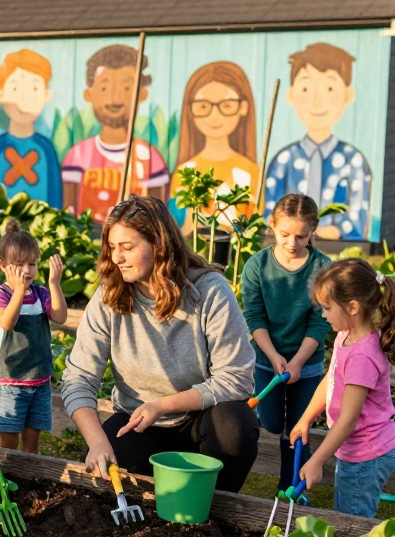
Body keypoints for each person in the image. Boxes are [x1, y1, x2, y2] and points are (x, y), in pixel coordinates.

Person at [61, 196, 259, 492]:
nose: (117, 258)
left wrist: (163, 405)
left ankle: (217, 514)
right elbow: (78, 378)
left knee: (236, 425)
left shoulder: (208, 291)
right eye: (112, 248)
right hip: (138, 423)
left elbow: (237, 378)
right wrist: (97, 441)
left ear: (159, 245)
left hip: (201, 423)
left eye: (127, 247)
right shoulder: (109, 296)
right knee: (102, 483)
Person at [290, 259, 395, 518]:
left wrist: (317, 460)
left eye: (328, 308)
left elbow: (348, 420)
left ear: (352, 307)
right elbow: (331, 379)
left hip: (367, 454)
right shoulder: (346, 335)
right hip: (357, 449)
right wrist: (306, 419)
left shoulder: (362, 357)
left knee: (351, 522)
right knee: (346, 511)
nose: (323, 314)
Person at [241, 194, 331, 491]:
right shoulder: (257, 266)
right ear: (273, 226)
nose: (292, 242)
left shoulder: (322, 267)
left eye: (301, 236)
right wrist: (274, 356)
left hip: (306, 365)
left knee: (297, 427)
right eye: (284, 234)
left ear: (312, 232)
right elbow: (254, 316)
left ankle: (291, 486)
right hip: (267, 361)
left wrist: (296, 363)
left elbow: (320, 321)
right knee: (271, 423)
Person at [263, 43, 372, 241]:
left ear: (348, 95)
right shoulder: (284, 160)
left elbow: (357, 216)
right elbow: (269, 213)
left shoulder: (353, 161)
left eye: (329, 88)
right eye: (305, 88)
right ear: (291, 95)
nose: (316, 101)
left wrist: (332, 231)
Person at [61, 45, 169, 222]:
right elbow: (68, 213)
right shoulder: (77, 156)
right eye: (104, 88)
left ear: (142, 94)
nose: (115, 98)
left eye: (127, 88)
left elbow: (158, 219)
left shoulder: (151, 160)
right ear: (89, 94)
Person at [0, 219, 67, 453]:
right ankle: (6, 478)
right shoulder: (0, 295)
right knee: (9, 441)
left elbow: (60, 316)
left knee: (32, 439)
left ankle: (29, 479)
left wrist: (54, 283)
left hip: (40, 381)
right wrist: (19, 291)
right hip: (11, 382)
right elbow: (7, 322)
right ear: (3, 265)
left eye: (32, 264)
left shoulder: (41, 293)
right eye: (19, 264)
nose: (27, 270)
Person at [170, 61, 259, 229]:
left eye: (226, 106)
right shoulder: (185, 171)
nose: (214, 116)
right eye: (204, 106)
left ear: (243, 107)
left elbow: (255, 227)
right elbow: (176, 227)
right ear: (190, 110)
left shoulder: (250, 171)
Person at [0, 49, 63, 207]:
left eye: (34, 89)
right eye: (16, 88)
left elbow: (55, 194)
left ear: (47, 94)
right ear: (0, 94)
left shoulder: (46, 148)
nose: (25, 99)